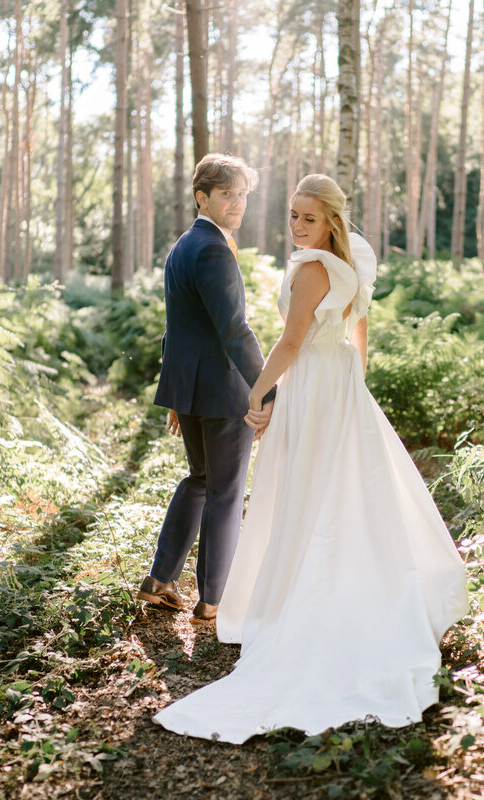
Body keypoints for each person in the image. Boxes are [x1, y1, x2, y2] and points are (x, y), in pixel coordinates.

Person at [154, 174, 468, 743]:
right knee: (350, 487)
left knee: (303, 489)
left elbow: (291, 340)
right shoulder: (352, 264)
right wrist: (354, 381)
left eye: (308, 218)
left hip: (313, 381)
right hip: (339, 381)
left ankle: (279, 598)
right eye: (293, 216)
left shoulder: (309, 268)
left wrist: (258, 393)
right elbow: (358, 328)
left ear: (330, 222)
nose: (297, 226)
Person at [141, 153, 273, 625]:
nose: (237, 204)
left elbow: (176, 328)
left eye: (242, 195)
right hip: (221, 392)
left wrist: (178, 394)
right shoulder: (214, 248)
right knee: (226, 491)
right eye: (227, 194)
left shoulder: (183, 245)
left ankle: (159, 581)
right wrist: (268, 390)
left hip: (192, 389)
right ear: (203, 197)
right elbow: (234, 330)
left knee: (200, 480)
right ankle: (215, 600)